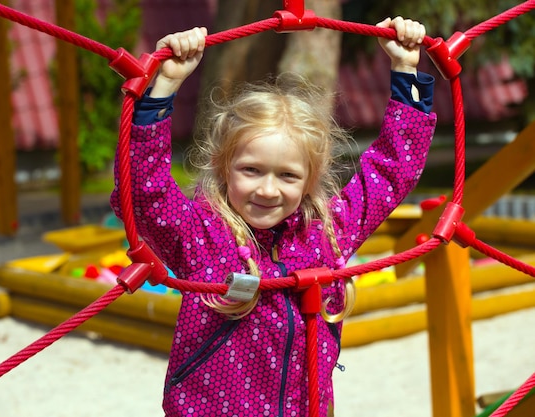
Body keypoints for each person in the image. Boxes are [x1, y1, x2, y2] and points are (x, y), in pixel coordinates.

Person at [111, 16, 437, 417]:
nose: (268, 190)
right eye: (251, 170)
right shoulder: (201, 234)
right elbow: (144, 191)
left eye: (287, 175)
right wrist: (165, 86)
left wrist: (406, 70)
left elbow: (392, 168)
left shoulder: (327, 230)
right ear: (223, 165)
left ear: (310, 180)